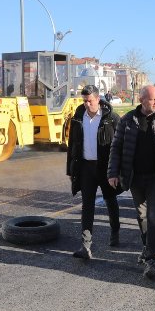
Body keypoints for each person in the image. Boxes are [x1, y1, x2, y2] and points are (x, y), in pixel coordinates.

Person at [108, 85, 155, 278]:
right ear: (141, 100)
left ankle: (150, 259)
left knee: (154, 217)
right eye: (152, 99)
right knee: (142, 216)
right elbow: (116, 148)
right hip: (135, 179)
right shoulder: (127, 120)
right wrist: (112, 173)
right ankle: (147, 248)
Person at [67, 85, 122, 258]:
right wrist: (71, 170)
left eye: (89, 101)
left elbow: (119, 146)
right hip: (85, 168)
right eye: (84, 101)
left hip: (106, 168)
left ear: (98, 99)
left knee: (110, 200)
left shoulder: (111, 119)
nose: (86, 104)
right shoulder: (77, 118)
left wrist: (117, 171)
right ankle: (86, 245)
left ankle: (115, 231)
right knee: (87, 205)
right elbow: (72, 145)